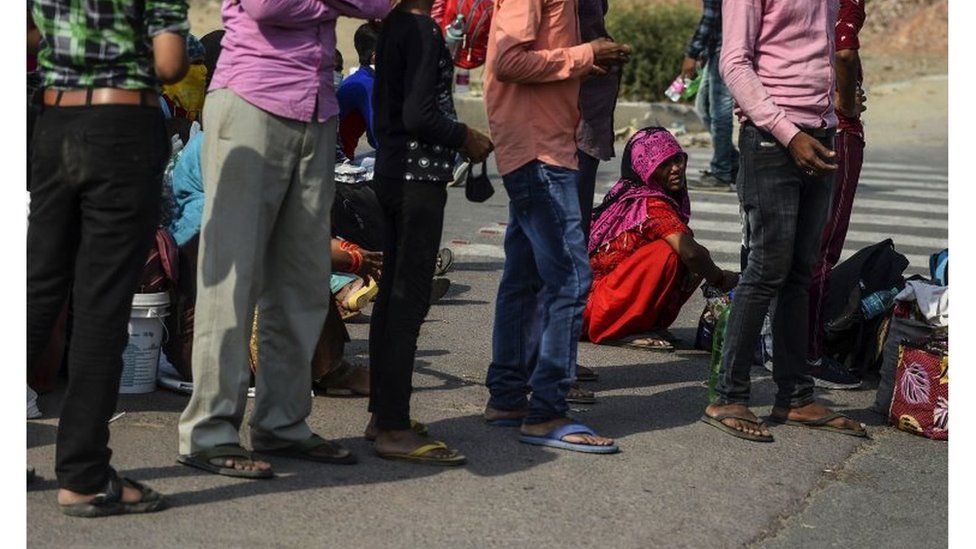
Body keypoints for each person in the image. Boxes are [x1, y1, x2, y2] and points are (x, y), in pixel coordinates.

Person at [177, 0, 392, 479]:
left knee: (301, 279)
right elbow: (266, 5)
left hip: (315, 111)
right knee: (231, 279)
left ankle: (282, 422)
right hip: (252, 105)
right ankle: (209, 432)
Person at [27, 0, 188, 516]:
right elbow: (169, 64)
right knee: (101, 303)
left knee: (37, 290)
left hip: (52, 121)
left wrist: (68, 46)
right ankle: (84, 475)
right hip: (122, 125)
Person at [702, 0, 868, 443]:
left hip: (821, 133)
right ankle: (728, 395)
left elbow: (831, 52)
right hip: (772, 141)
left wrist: (838, 112)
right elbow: (734, 64)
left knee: (800, 272)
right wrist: (787, 132)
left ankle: (795, 397)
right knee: (765, 269)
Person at [482, 0, 630, 454]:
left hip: (544, 144)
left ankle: (508, 396)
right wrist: (585, 56)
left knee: (523, 275)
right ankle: (547, 410)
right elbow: (507, 61)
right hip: (538, 151)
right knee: (570, 278)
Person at [366, 0, 492, 465]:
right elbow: (421, 115)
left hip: (394, 173)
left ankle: (384, 414)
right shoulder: (421, 30)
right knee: (408, 298)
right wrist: (466, 137)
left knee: (392, 297)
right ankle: (394, 427)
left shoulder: (394, 25)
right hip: (417, 180)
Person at [583, 127, 738, 349]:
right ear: (645, 170)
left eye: (677, 160)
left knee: (684, 250)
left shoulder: (629, 191)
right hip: (596, 308)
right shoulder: (651, 205)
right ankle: (619, 329)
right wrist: (722, 279)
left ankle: (641, 323)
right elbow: (691, 254)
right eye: (663, 165)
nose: (676, 169)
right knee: (677, 253)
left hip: (595, 302)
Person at [806, 0, 868, 389]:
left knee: (794, 247)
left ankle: (779, 342)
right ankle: (808, 352)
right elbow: (844, 50)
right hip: (837, 129)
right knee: (822, 248)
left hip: (794, 124)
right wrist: (846, 102)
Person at [682, 0, 738, 192]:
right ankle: (734, 163)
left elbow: (711, 17)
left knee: (720, 112)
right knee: (703, 107)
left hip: (725, 48)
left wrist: (692, 53)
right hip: (715, 48)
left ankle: (722, 173)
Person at [338, 22, 380, 160]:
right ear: (375, 57)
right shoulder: (368, 86)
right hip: (339, 163)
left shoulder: (359, 79)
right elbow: (377, 139)